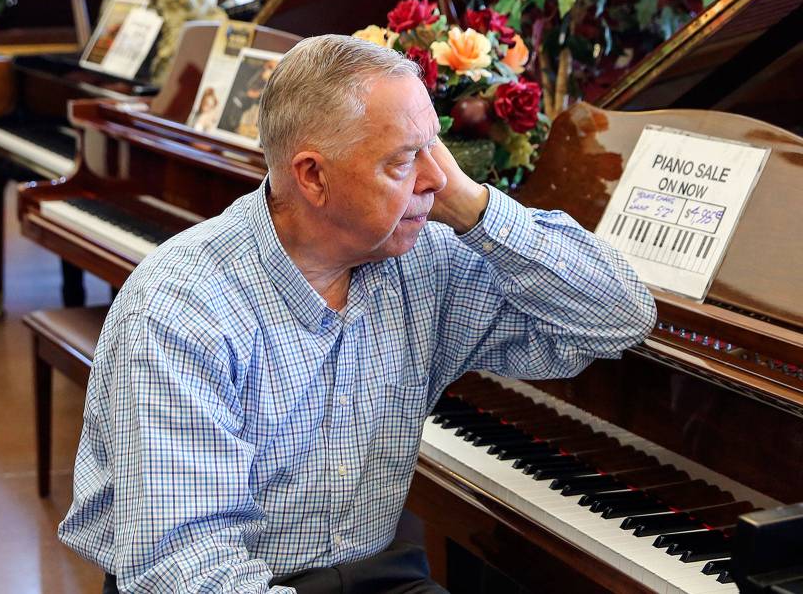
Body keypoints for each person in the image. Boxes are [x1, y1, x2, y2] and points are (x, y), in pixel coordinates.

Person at [58, 35, 656, 593]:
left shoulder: (421, 260)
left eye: (434, 148)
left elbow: (620, 316)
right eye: (402, 161)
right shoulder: (182, 306)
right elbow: (181, 563)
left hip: (378, 573)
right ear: (313, 175)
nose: (433, 178)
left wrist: (474, 208)